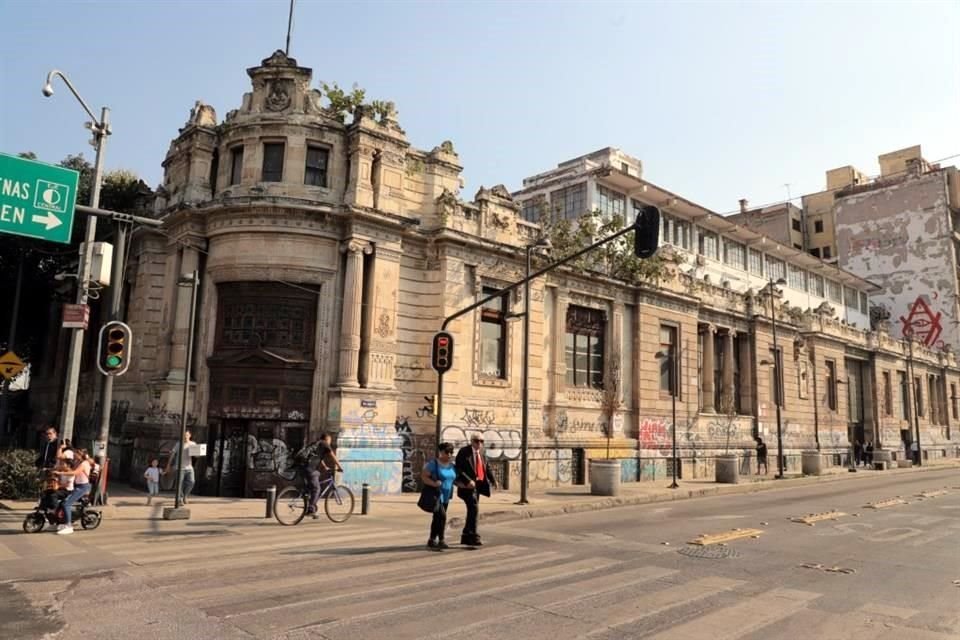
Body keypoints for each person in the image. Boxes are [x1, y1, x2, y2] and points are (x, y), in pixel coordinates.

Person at [455, 434, 497, 547]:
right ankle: (474, 536)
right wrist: (468, 480)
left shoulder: (482, 452)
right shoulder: (464, 452)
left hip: (478, 486)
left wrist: (493, 480)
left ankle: (466, 535)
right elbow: (458, 468)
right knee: (474, 508)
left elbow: (486, 466)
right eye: (477, 441)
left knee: (472, 510)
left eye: (481, 441)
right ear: (472, 441)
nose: (479, 444)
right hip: (467, 487)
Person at [421, 442, 458, 550]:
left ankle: (432, 539)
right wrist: (434, 483)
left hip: (447, 495)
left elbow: (454, 479)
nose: (449, 454)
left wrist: (465, 485)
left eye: (451, 452)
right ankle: (441, 540)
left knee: (437, 518)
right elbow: (424, 476)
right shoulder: (434, 464)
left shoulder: (452, 466)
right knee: (442, 516)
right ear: (441, 452)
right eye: (447, 452)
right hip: (437, 495)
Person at [305, 433, 343, 519]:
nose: (330, 443)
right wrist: (339, 466)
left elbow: (319, 458)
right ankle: (311, 509)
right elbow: (332, 456)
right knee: (317, 489)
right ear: (327, 439)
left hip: (304, 468)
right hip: (311, 469)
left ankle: (311, 506)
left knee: (312, 486)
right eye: (330, 441)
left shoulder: (316, 444)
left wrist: (325, 467)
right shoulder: (325, 444)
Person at [55, 449, 93, 535]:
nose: (74, 456)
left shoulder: (84, 464)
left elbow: (74, 473)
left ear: (81, 455)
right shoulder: (78, 462)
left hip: (82, 487)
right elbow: (68, 467)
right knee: (62, 502)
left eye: (76, 454)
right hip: (77, 486)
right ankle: (63, 522)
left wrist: (60, 473)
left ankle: (69, 526)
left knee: (67, 504)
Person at [163, 430, 197, 504]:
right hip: (179, 467)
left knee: (192, 481)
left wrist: (197, 454)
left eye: (186, 435)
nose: (185, 436)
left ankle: (185, 495)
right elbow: (172, 454)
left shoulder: (193, 444)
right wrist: (168, 465)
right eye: (184, 435)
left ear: (190, 435)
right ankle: (180, 498)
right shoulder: (178, 444)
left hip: (189, 467)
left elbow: (196, 456)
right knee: (179, 484)